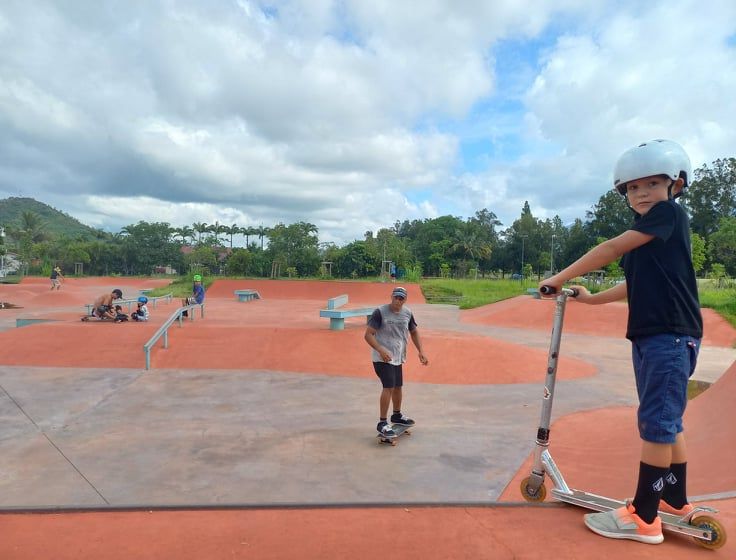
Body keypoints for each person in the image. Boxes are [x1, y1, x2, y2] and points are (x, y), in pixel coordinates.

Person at [539, 139, 702, 545]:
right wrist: (591, 299)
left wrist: (557, 277)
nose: (641, 193)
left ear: (675, 185)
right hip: (658, 335)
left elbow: (610, 249)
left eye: (651, 183)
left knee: (657, 424)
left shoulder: (667, 215)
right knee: (668, 420)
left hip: (669, 334)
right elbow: (632, 282)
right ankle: (674, 500)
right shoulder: (650, 235)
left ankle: (644, 516)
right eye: (632, 187)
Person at [364, 286, 429, 438]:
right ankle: (382, 422)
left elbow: (414, 332)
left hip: (398, 357)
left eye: (401, 298)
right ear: (391, 297)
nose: (398, 301)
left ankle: (396, 415)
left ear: (405, 299)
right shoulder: (380, 312)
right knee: (388, 387)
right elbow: (368, 335)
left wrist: (421, 351)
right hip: (382, 358)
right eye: (396, 297)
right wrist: (381, 350)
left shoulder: (407, 313)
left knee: (398, 387)